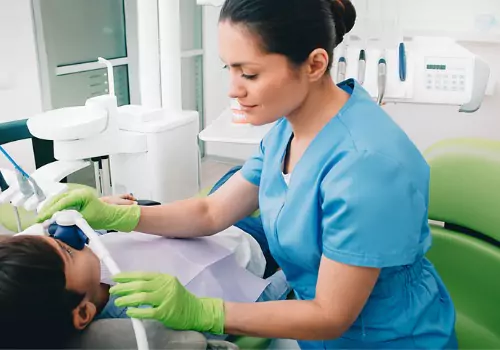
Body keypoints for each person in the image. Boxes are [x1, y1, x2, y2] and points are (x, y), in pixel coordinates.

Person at [37, 0, 458, 348]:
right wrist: (120, 217)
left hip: (384, 338)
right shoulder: (289, 129)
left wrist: (204, 312)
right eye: (229, 69)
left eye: (250, 73)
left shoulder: (367, 168)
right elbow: (210, 213)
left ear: (314, 64)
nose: (233, 89)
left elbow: (331, 316)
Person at [0, 196, 289, 349]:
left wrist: (109, 208)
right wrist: (295, 270)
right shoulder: (147, 317)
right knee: (287, 198)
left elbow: (100, 224)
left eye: (51, 235)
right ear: (84, 313)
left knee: (244, 176)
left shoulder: (87, 260)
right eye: (66, 250)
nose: (65, 238)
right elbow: (250, 308)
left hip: (201, 221)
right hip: (251, 245)